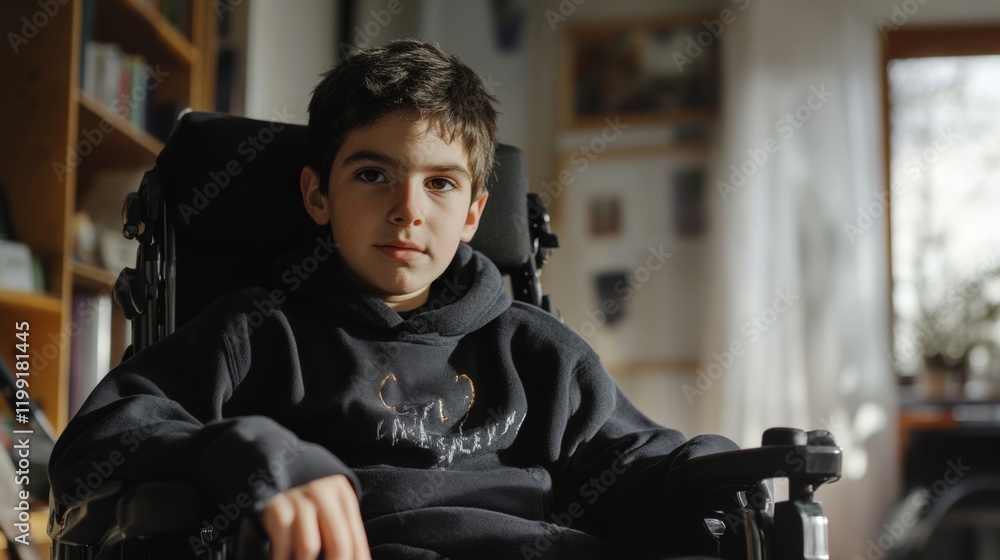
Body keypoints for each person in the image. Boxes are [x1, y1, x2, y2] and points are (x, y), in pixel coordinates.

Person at [48, 39, 738, 560]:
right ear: (318, 195)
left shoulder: (540, 352)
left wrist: (706, 475)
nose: (408, 209)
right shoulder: (255, 333)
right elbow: (97, 442)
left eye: (441, 183)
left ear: (473, 214)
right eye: (374, 174)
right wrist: (255, 452)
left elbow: (637, 465)